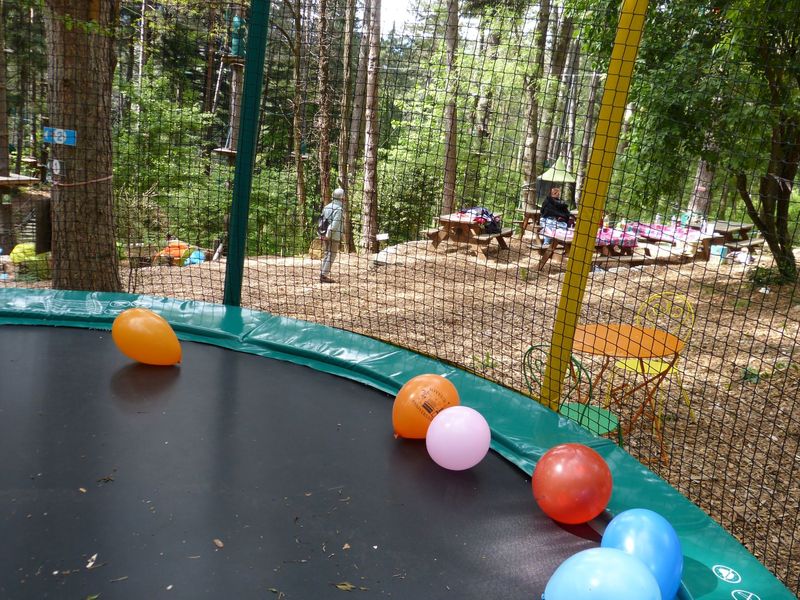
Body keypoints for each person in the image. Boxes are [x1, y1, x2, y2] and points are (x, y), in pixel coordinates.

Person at [319, 187, 344, 283]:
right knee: (332, 255)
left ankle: (322, 273)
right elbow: (335, 225)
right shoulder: (339, 209)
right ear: (342, 198)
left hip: (325, 234)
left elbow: (321, 221)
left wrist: (323, 235)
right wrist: (329, 234)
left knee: (327, 254)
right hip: (333, 236)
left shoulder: (327, 206)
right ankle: (324, 275)